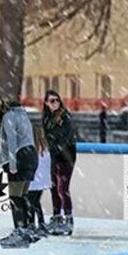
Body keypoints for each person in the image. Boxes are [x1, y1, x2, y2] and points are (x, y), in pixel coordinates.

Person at [0, 97, 39, 249]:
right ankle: (27, 229)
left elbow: (12, 140)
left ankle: (19, 231)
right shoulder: (24, 116)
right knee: (23, 195)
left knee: (15, 197)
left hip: (20, 157)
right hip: (30, 156)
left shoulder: (9, 117)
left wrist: (12, 164)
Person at [42, 88, 79, 236]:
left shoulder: (65, 117)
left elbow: (64, 137)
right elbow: (46, 136)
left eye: (57, 100)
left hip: (66, 156)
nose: (55, 103)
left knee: (62, 188)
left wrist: (55, 148)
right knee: (53, 186)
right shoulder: (47, 119)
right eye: (52, 101)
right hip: (53, 156)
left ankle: (69, 219)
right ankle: (57, 216)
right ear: (46, 103)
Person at [26, 121, 52, 240]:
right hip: (42, 183)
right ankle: (40, 223)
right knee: (36, 202)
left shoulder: (32, 151)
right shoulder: (45, 151)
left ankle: (31, 224)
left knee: (31, 203)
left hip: (33, 182)